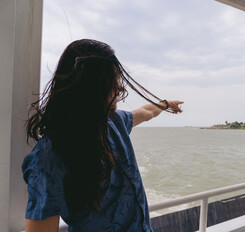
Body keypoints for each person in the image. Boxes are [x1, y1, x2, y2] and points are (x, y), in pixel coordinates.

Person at [22, 39, 183, 232]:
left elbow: (146, 112)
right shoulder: (49, 157)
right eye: (113, 80)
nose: (119, 88)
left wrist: (165, 104)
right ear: (93, 86)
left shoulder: (114, 122)